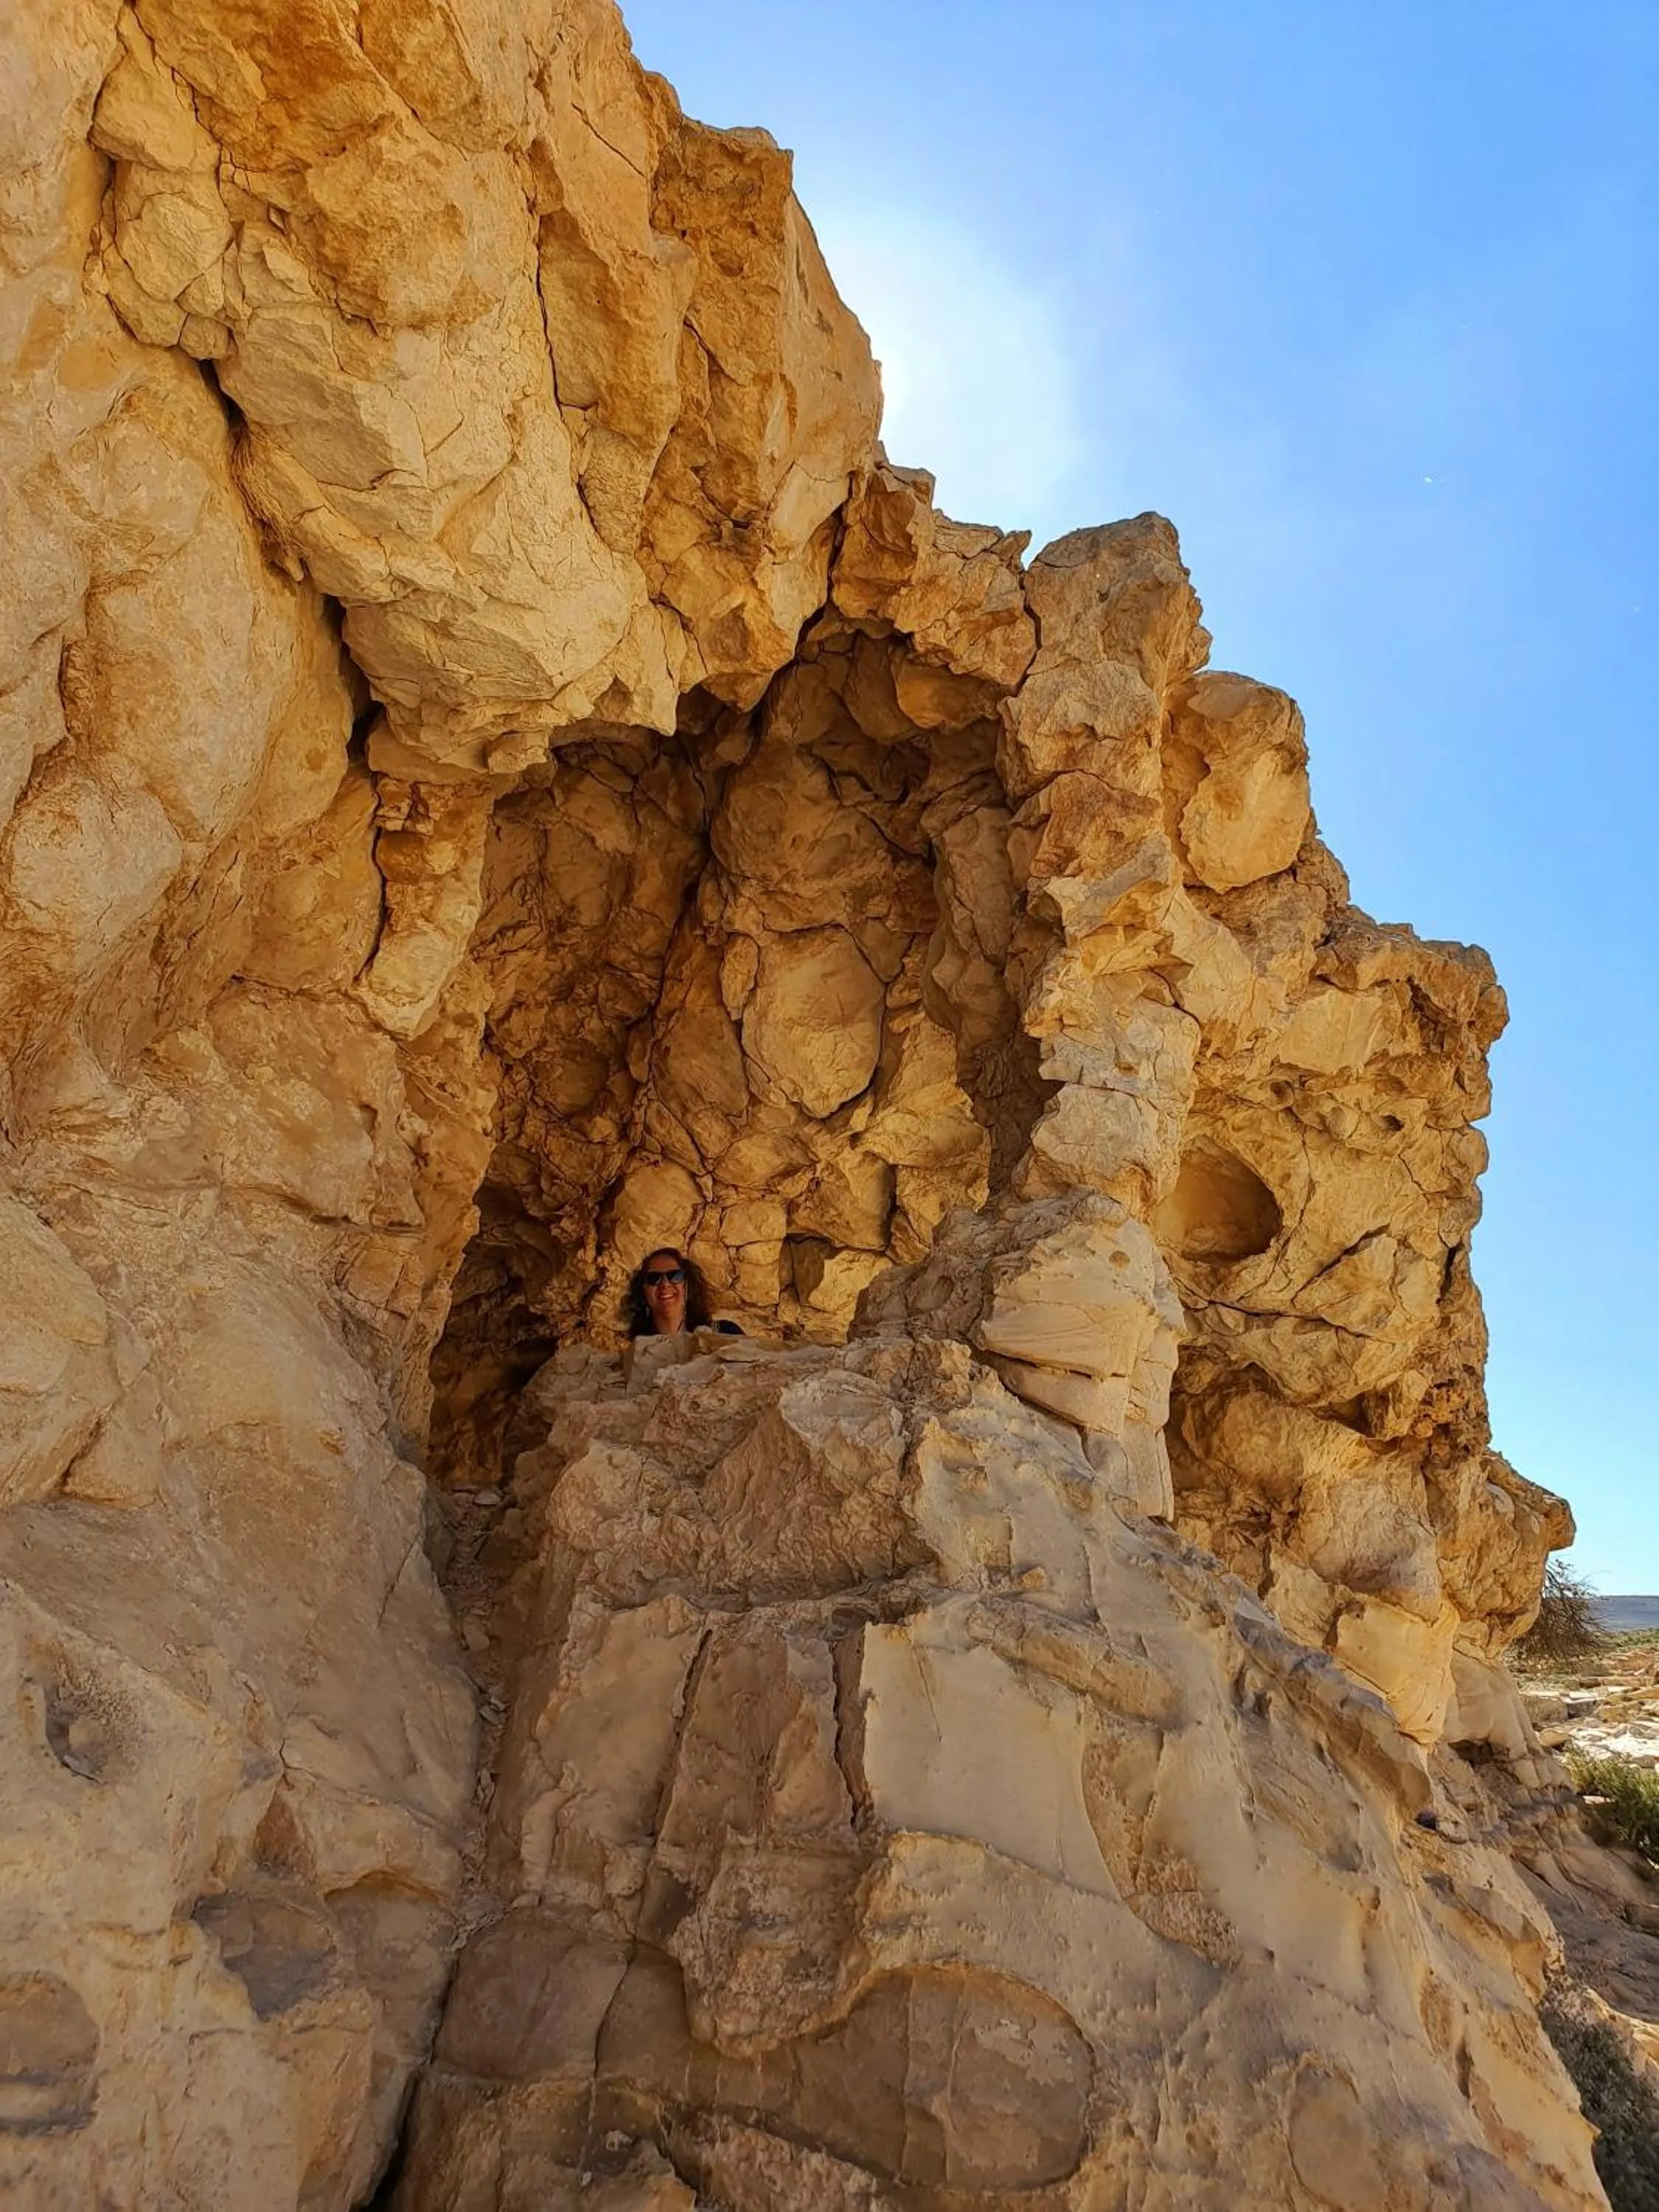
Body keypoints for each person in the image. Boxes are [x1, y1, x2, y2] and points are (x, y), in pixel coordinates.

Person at [622, 1248, 744, 1339]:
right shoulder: (636, 1354)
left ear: (687, 1285)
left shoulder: (726, 1334)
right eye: (654, 1278)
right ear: (643, 1290)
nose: (665, 1284)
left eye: (675, 1276)